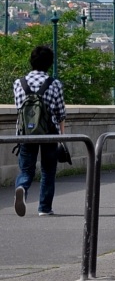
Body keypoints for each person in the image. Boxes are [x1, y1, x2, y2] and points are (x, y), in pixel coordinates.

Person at [13, 45, 66, 217]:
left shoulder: (19, 83)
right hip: (48, 132)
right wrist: (62, 138)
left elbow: (19, 109)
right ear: (50, 63)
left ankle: (22, 186)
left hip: (26, 133)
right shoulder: (54, 83)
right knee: (48, 170)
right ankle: (44, 208)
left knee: (26, 170)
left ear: (31, 61)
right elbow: (60, 113)